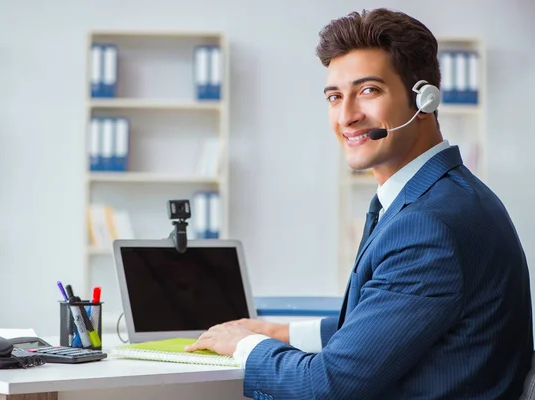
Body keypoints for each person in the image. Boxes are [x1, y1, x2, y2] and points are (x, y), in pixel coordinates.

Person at [185, 7, 533, 399]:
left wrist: (242, 347)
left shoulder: (429, 225)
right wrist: (280, 332)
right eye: (335, 96)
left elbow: (326, 387)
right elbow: (390, 324)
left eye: (368, 91)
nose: (346, 116)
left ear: (425, 100)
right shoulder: (444, 195)